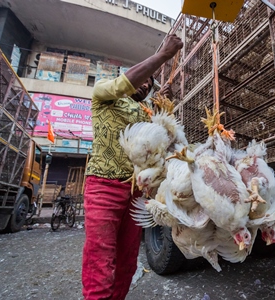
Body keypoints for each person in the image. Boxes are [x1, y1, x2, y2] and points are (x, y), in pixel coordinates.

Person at [82, 34, 183, 300]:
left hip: (136, 193)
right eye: (142, 76)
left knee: (127, 263)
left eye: (149, 81)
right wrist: (162, 56)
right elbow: (121, 86)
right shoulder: (105, 93)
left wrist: (164, 109)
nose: (145, 82)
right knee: (100, 261)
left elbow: (165, 143)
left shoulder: (145, 111)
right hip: (103, 185)